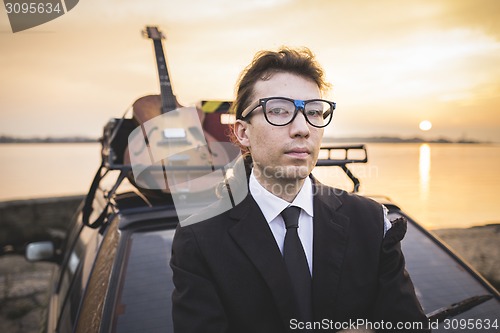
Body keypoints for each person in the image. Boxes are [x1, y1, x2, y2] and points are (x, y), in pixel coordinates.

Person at [170, 47, 429, 332]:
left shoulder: (369, 221)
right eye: (279, 110)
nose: (302, 128)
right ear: (243, 133)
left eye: (314, 112)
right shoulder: (200, 237)